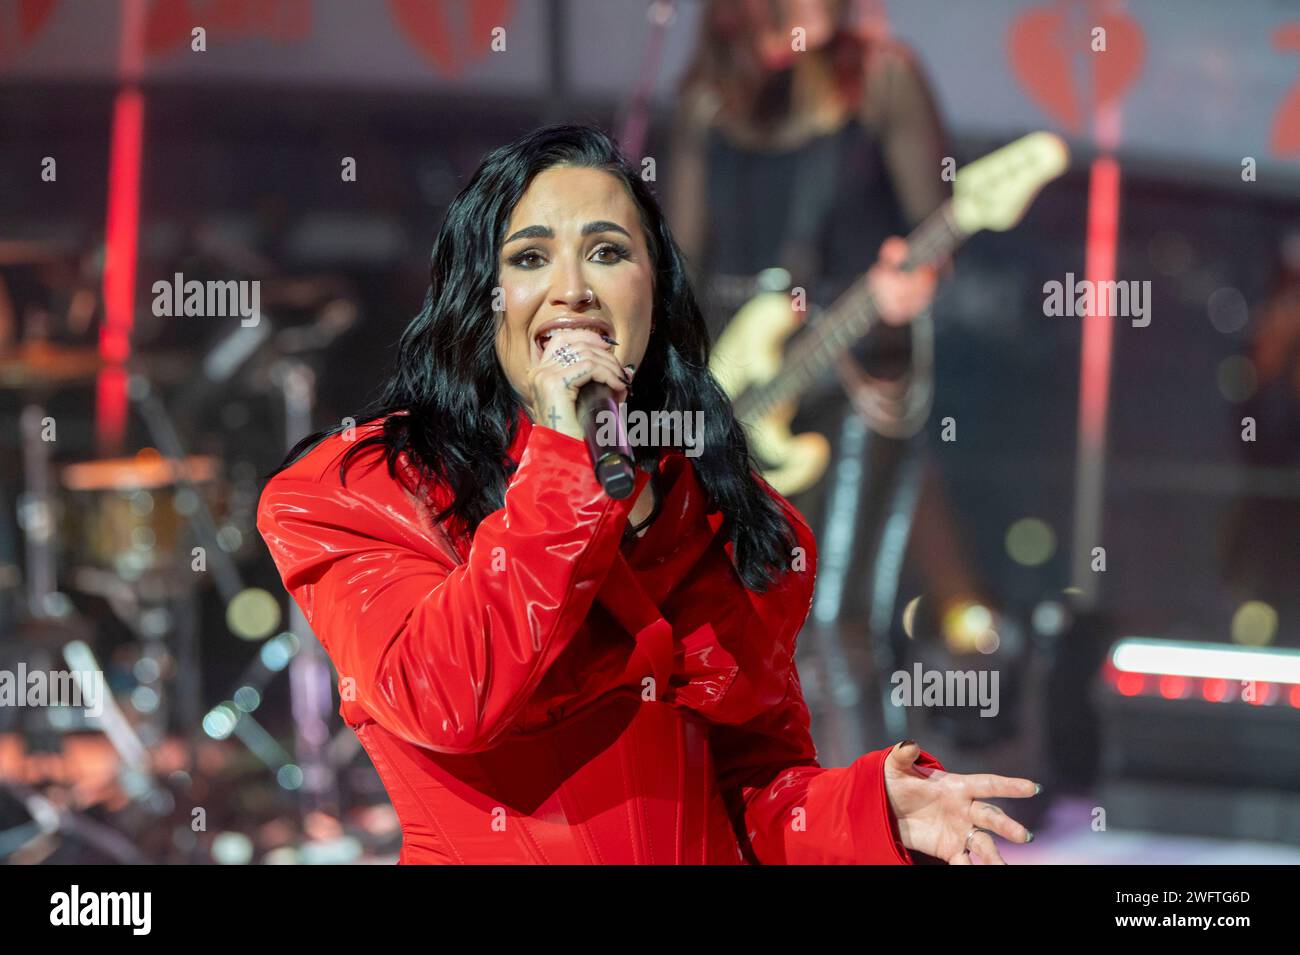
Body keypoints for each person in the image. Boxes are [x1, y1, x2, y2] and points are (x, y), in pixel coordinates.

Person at [256, 123, 1037, 864]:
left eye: (606, 252)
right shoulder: (362, 491)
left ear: (655, 290)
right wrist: (566, 460)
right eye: (529, 258)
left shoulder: (727, 514)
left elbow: (749, 795)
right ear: (478, 294)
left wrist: (867, 807)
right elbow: (450, 699)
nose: (572, 290)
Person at [667, 0, 991, 753]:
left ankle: (876, 830)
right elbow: (681, 267)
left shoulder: (881, 80)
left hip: (857, 377)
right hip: (743, 390)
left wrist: (916, 275)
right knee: (739, 627)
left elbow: (936, 224)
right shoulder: (705, 100)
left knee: (838, 624)